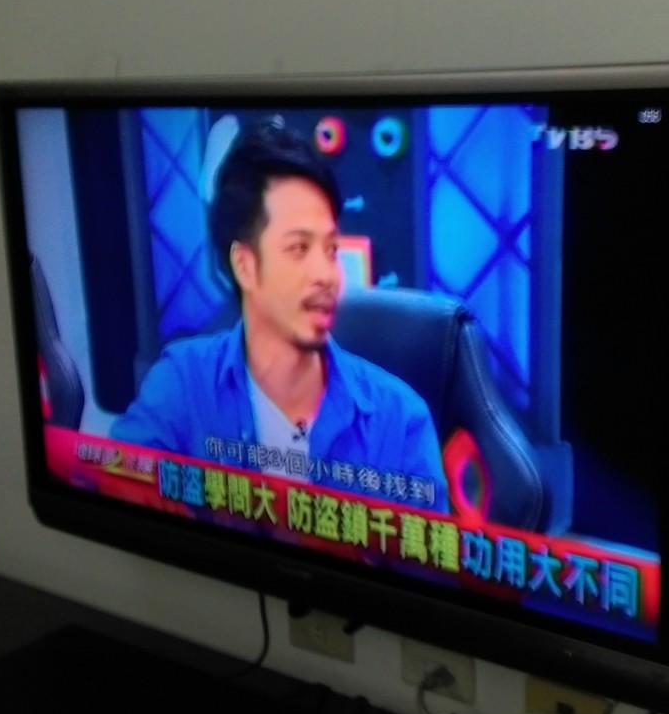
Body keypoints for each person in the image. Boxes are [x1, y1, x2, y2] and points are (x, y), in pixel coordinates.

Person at [112, 119, 449, 513]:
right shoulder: (181, 385)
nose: (326, 275)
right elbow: (114, 495)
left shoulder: (400, 422)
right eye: (299, 249)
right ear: (245, 265)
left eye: (331, 250)